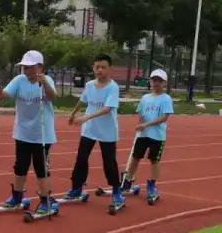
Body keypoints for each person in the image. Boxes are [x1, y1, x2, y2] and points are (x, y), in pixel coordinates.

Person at [0, 50, 58, 215]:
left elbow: (52, 97)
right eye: (24, 67)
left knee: (41, 167)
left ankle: (45, 200)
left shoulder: (46, 80)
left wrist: (45, 84)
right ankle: (17, 195)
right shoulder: (19, 80)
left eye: (30, 67)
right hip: (22, 132)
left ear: (40, 67)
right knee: (20, 165)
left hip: (42, 134)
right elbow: (6, 94)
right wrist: (0, 93)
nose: (27, 71)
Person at [64, 53, 122, 206]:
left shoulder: (113, 87)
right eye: (97, 67)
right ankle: (76, 187)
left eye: (103, 67)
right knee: (81, 158)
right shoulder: (89, 85)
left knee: (109, 162)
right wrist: (73, 114)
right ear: (93, 68)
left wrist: (86, 117)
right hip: (89, 130)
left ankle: (117, 191)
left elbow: (107, 108)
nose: (100, 70)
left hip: (107, 131)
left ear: (110, 69)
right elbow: (83, 100)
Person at [123, 69, 173, 201]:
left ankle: (152, 185)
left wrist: (145, 125)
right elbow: (140, 113)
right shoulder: (145, 98)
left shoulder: (166, 99)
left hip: (157, 136)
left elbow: (164, 117)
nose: (156, 83)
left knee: (154, 160)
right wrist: (140, 123)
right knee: (135, 158)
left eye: (159, 81)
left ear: (164, 83)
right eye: (154, 80)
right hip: (143, 135)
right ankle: (128, 180)